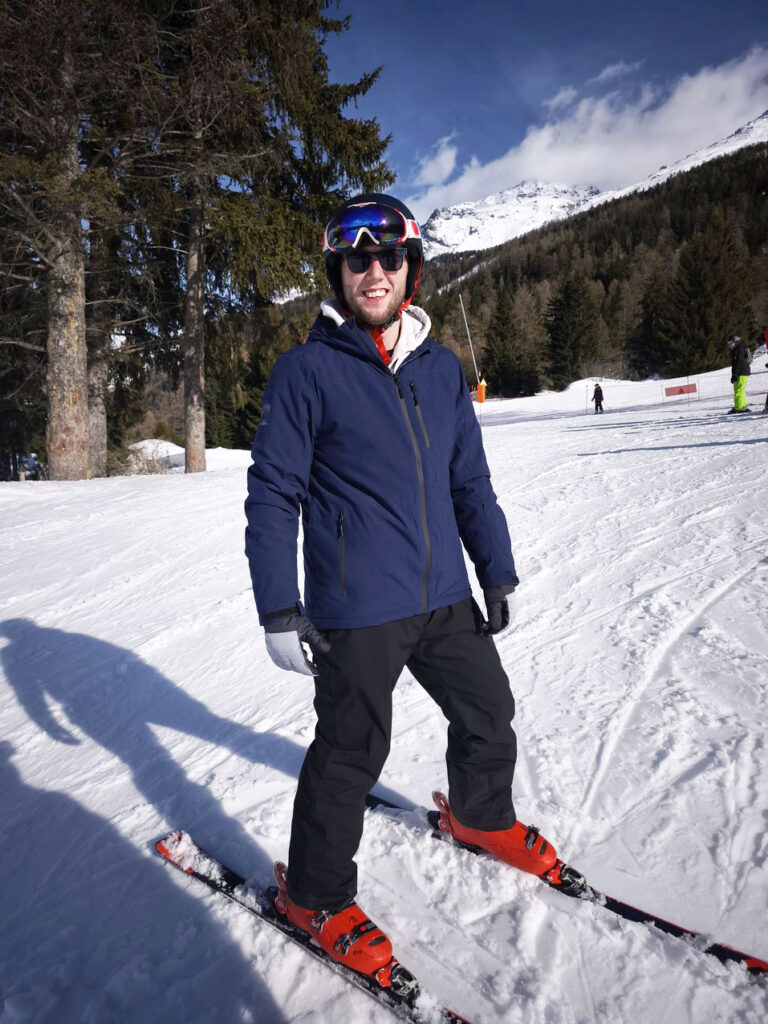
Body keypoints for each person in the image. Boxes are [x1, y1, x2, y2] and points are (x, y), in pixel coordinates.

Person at [244, 193, 557, 988]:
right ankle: (314, 896)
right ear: (338, 273)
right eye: (357, 259)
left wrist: (495, 568)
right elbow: (274, 493)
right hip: (357, 605)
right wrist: (279, 607)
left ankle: (481, 817)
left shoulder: (440, 368)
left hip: (443, 592)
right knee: (351, 750)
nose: (373, 271)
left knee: (487, 710)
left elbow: (469, 480)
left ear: (410, 269)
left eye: (388, 257)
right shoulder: (306, 371)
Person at [726, 333, 751, 413]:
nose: (730, 345)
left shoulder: (739, 349)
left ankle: (739, 408)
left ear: (736, 341)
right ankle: (742, 406)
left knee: (739, 391)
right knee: (739, 390)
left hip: (741, 372)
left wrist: (735, 374)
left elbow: (739, 362)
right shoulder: (738, 348)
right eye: (729, 343)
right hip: (741, 372)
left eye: (731, 343)